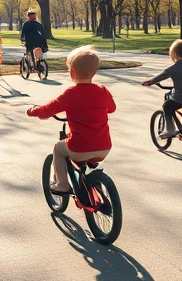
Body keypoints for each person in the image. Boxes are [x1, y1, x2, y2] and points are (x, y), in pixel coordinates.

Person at [27, 45, 116, 194]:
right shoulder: (103, 91)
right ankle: (92, 182)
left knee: (59, 149)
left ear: (72, 73)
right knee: (90, 155)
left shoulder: (71, 93)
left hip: (79, 147)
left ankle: (62, 184)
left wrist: (33, 110)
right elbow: (112, 108)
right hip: (104, 147)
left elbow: (47, 110)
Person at [141, 39, 182, 139]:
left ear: (175, 54)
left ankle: (170, 130)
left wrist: (150, 82)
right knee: (179, 103)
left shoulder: (173, 68)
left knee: (167, 105)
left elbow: (161, 76)